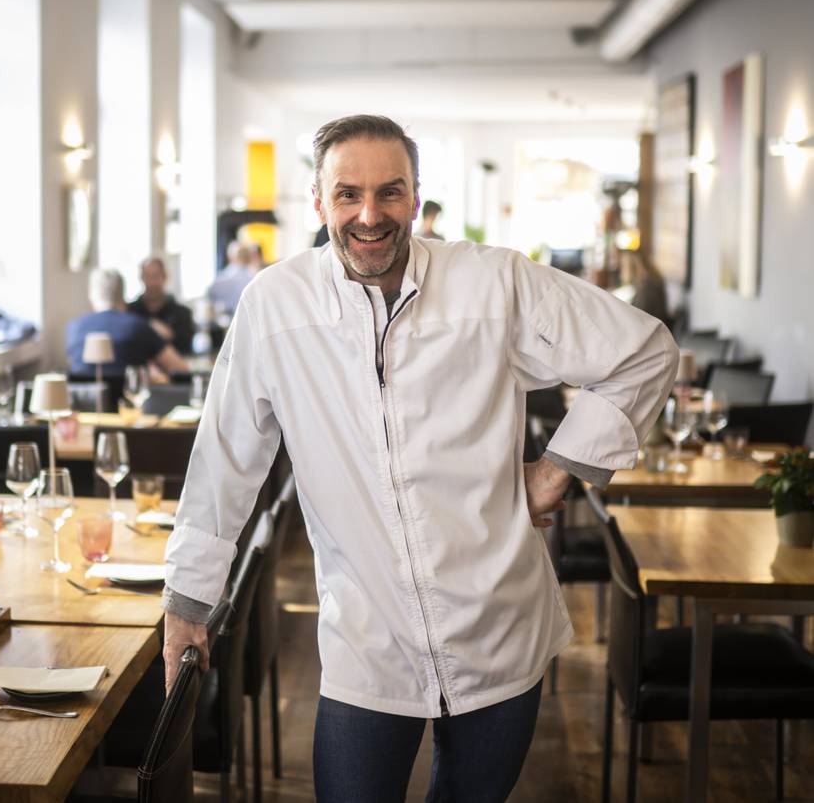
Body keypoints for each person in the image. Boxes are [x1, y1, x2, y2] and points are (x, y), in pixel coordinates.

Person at [162, 115, 678, 802]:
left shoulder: (493, 284)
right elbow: (225, 460)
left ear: (416, 196)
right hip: (365, 644)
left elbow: (643, 350)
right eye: (348, 195)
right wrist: (189, 600)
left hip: (499, 631)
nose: (369, 215)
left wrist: (559, 468)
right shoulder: (275, 307)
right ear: (317, 202)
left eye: (390, 192)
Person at [66, 269, 190, 377]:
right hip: (129, 401)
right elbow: (180, 368)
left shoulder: (73, 328)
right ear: (122, 294)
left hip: (83, 403)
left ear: (92, 295)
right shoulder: (138, 327)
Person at [127, 256, 195, 354]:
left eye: (155, 276)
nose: (151, 283)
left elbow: (186, 350)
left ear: (165, 277)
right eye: (147, 277)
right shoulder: (130, 312)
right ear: (141, 278)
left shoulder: (182, 314)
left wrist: (171, 336)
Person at [620, 248, 670, 326]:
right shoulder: (652, 281)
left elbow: (638, 319)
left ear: (631, 267)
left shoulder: (647, 288)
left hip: (650, 332)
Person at [206, 241, 256, 315]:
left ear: (230, 257)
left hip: (227, 322)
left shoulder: (222, 279)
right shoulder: (255, 278)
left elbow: (209, 299)